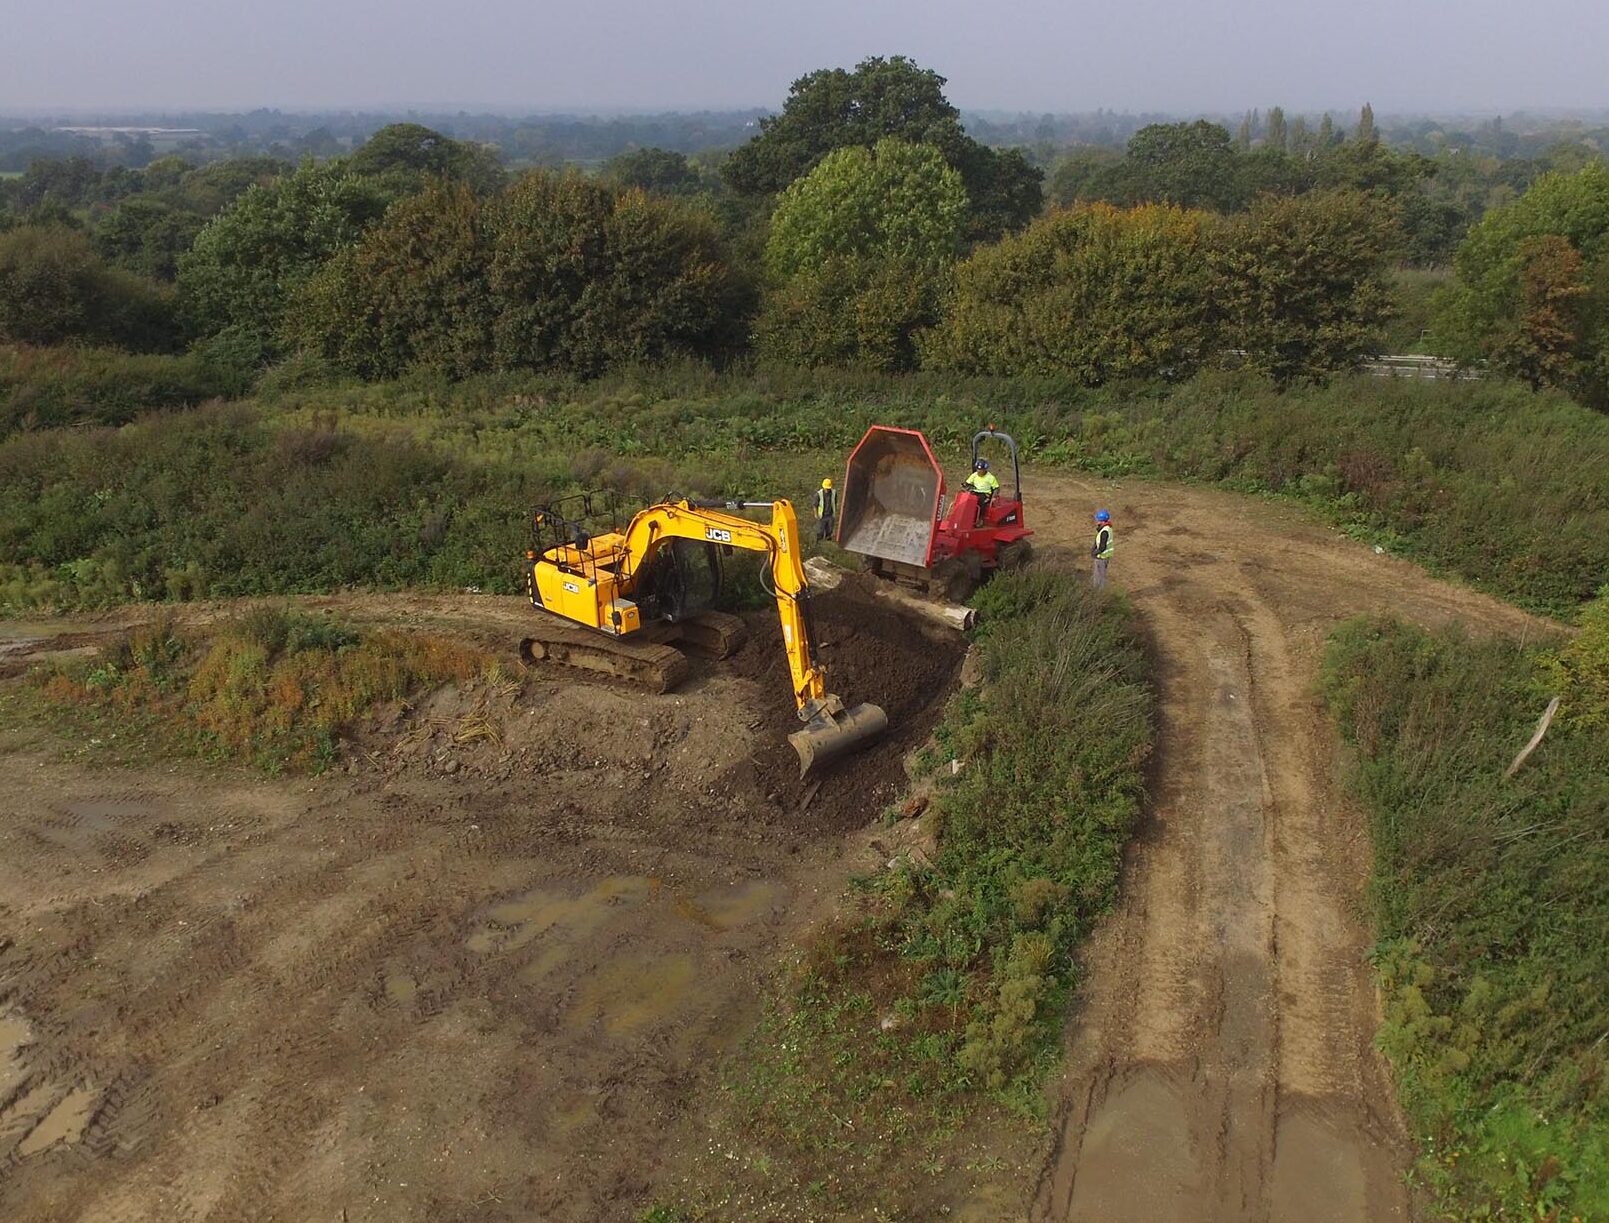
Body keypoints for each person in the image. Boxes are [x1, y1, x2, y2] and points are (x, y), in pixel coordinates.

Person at [1091, 509, 1114, 588]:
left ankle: (1099, 595)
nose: (1097, 521)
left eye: (1098, 520)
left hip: (1101, 557)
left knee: (1099, 578)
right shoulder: (1108, 529)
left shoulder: (1104, 531)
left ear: (1102, 521)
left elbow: (1102, 547)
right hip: (1104, 557)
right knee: (1099, 576)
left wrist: (1095, 553)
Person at [814, 477, 836, 541]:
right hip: (822, 516)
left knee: (829, 529)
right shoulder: (818, 494)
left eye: (828, 488)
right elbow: (815, 505)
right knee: (820, 530)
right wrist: (816, 514)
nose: (827, 490)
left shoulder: (834, 493)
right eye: (826, 488)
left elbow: (835, 502)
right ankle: (819, 541)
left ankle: (828, 540)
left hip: (830, 515)